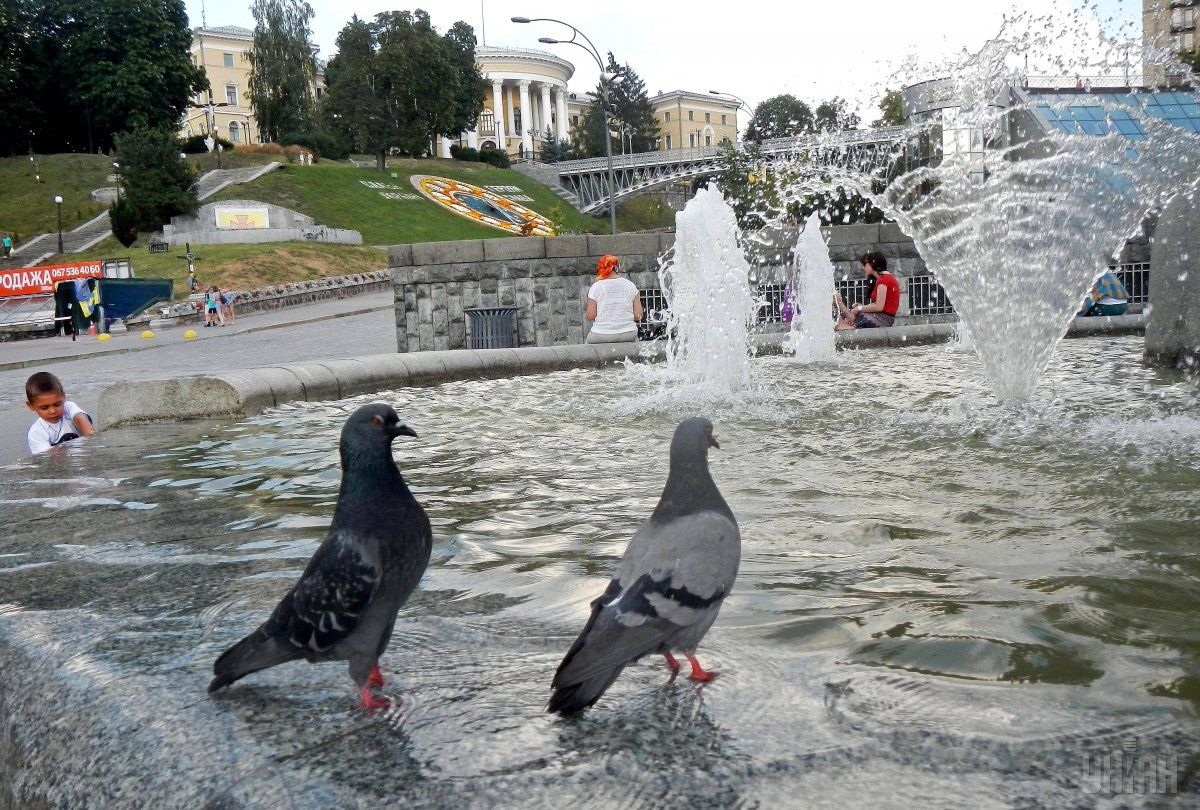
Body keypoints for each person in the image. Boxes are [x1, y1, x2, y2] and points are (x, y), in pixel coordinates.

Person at [25, 371, 95, 455]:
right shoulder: (36, 433)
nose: (52, 411)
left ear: (63, 397)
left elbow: (80, 418)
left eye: (57, 404)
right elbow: (47, 457)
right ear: (31, 405)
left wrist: (90, 434)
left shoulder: (68, 407)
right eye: (44, 408)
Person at [835, 251, 901, 330]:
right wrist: (860, 307)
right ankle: (841, 308)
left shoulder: (884, 279)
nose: (864, 268)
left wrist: (859, 308)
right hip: (880, 316)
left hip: (883, 319)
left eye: (865, 264)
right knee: (847, 315)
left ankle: (840, 306)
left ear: (872, 264)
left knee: (851, 317)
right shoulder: (883, 279)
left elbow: (879, 307)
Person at [585, 254, 643, 344]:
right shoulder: (630, 285)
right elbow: (638, 315)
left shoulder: (596, 287)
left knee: (587, 349)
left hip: (601, 334)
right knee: (636, 344)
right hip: (628, 333)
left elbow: (591, 315)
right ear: (616, 268)